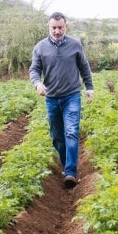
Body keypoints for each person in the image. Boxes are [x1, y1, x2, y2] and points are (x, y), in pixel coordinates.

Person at [30, 11, 93, 189]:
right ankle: (66, 165)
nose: (57, 31)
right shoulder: (40, 47)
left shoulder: (75, 44)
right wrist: (37, 84)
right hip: (51, 98)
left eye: (60, 27)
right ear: (49, 27)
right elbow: (34, 69)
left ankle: (71, 172)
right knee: (57, 137)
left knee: (71, 131)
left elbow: (84, 67)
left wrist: (89, 87)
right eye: (54, 28)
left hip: (72, 96)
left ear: (66, 27)